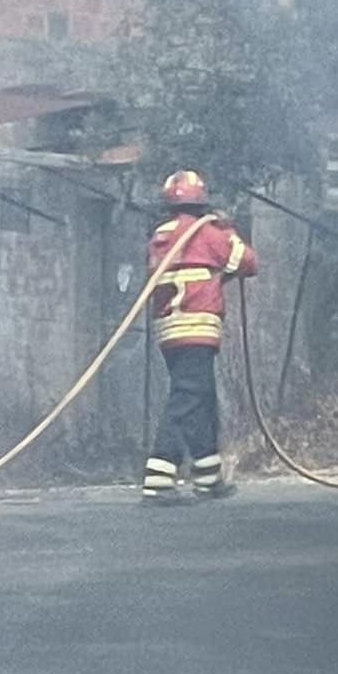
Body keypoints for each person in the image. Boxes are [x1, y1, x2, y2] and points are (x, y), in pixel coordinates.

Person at [141, 169, 258, 504]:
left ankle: (208, 475)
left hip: (169, 331)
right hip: (198, 328)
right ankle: (159, 476)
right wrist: (227, 228)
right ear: (202, 201)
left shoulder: (160, 234)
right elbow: (248, 262)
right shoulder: (207, 232)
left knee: (200, 397)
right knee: (188, 397)